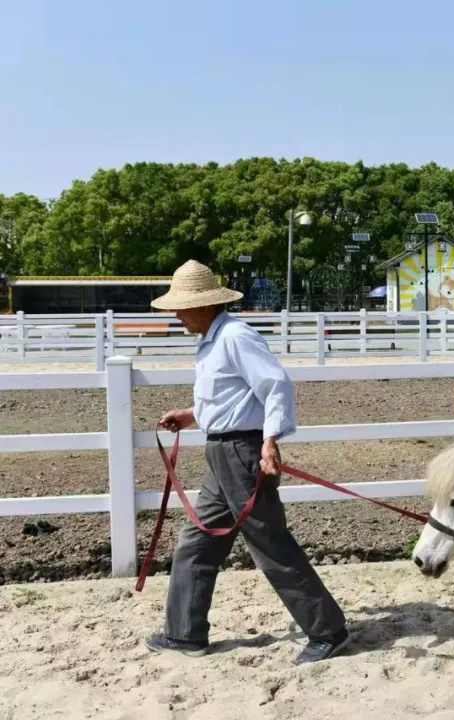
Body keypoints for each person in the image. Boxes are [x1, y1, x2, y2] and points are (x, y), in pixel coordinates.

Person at [143, 260, 350, 665]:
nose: (176, 315)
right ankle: (185, 633)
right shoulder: (212, 339)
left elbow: (276, 385)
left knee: (269, 541)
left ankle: (328, 630)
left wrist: (270, 440)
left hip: (241, 454)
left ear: (203, 305)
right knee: (196, 542)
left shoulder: (236, 336)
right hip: (223, 452)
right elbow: (232, 399)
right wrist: (193, 415)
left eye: (181, 308)